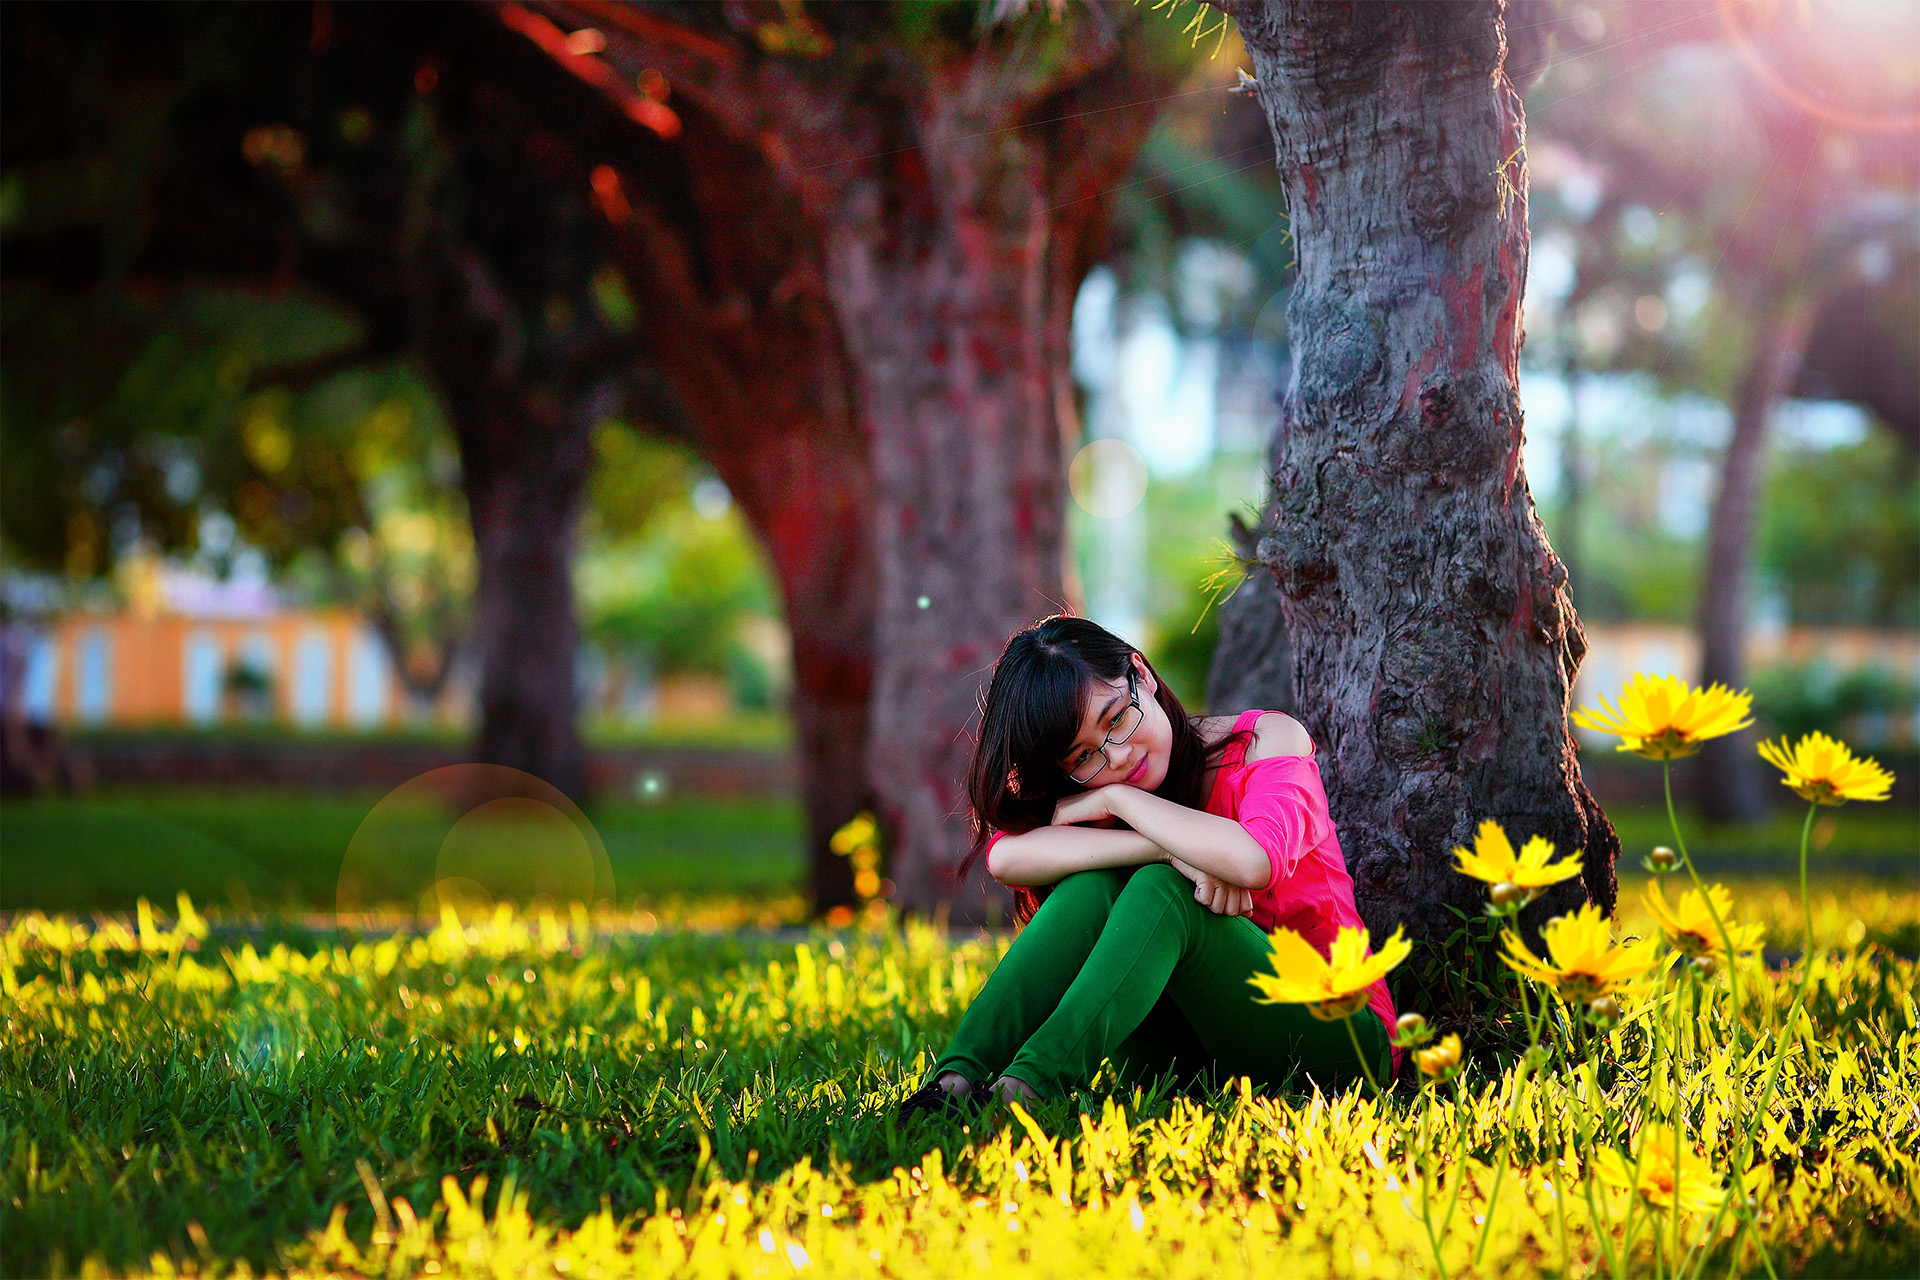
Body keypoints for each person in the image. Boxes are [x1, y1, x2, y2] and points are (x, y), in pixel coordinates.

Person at [900, 615, 1397, 1115]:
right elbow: (1007, 856)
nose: (1115, 757)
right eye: (1083, 757)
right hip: (1190, 1068)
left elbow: (1255, 859)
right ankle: (954, 1081)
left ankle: (1028, 1087)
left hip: (1337, 1044)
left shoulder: (1265, 742)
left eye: (1116, 719)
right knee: (1094, 886)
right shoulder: (1100, 793)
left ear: (1142, 674)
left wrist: (1121, 802)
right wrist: (1163, 848)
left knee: (1164, 891)